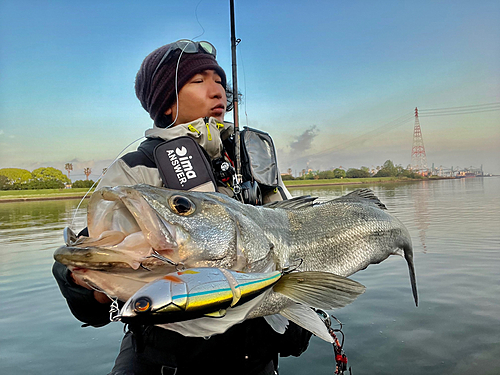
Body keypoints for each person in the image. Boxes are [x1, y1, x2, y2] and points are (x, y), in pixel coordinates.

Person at [53, 40, 312, 375]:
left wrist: (301, 313)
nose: (216, 90)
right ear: (166, 104)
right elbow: (89, 258)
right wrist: (85, 287)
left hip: (256, 356)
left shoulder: (254, 159)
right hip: (170, 361)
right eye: (198, 81)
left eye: (218, 80)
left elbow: (296, 237)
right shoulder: (138, 167)